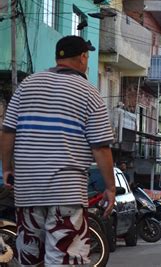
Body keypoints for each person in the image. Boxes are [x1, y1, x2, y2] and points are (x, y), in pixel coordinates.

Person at [0, 35, 116, 266]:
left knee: (30, 257)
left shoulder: (27, 85)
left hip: (28, 190)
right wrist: (110, 187)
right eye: (87, 57)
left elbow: (7, 132)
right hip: (66, 191)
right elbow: (100, 147)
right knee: (65, 258)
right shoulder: (89, 93)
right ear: (83, 57)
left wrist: (7, 168)